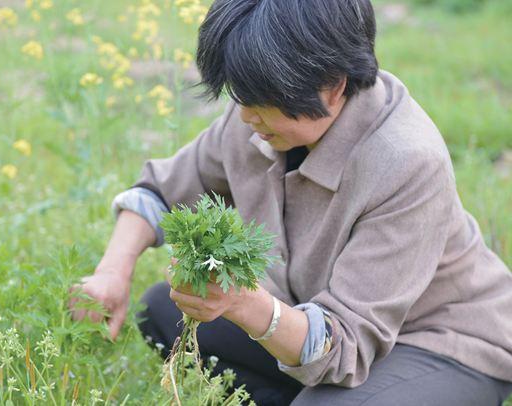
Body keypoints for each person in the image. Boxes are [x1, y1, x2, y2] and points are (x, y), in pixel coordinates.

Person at [69, 0, 512, 404]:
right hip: (315, 323)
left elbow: (346, 347)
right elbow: (163, 192)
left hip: (442, 341)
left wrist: (244, 303)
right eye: (240, 95)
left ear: (334, 85)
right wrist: (112, 272)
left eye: (262, 100)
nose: (246, 115)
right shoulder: (256, 118)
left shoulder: (406, 161)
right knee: (163, 312)